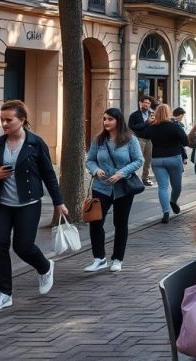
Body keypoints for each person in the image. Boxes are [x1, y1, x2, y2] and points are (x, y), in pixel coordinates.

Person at [0, 100, 68, 314]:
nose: (4, 124)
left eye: (8, 120)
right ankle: (3, 294)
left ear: (22, 120)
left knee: (23, 246)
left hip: (28, 204)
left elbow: (48, 174)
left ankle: (45, 267)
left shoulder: (36, 144)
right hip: (1, 204)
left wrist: (59, 202)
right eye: (2, 120)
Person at [84, 108, 144, 273]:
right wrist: (96, 170)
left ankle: (117, 259)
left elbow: (139, 160)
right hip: (101, 187)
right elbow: (90, 160)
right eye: (104, 119)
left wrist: (121, 173)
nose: (106, 122)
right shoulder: (99, 140)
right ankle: (99, 258)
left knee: (120, 223)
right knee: (96, 222)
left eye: (110, 119)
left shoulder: (130, 139)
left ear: (118, 120)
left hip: (123, 188)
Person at [139, 104, 188, 224]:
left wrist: (148, 122)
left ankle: (166, 212)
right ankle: (173, 201)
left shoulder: (152, 128)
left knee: (162, 187)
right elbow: (185, 141)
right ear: (169, 113)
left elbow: (143, 134)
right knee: (176, 186)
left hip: (157, 160)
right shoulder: (174, 126)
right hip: (174, 158)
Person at [127, 95, 155, 186]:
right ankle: (131, 179)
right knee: (136, 159)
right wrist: (146, 122)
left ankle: (145, 179)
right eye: (145, 103)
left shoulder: (152, 114)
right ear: (140, 103)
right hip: (139, 139)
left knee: (148, 160)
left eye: (148, 103)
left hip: (149, 140)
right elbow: (132, 127)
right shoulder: (134, 115)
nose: (146, 105)